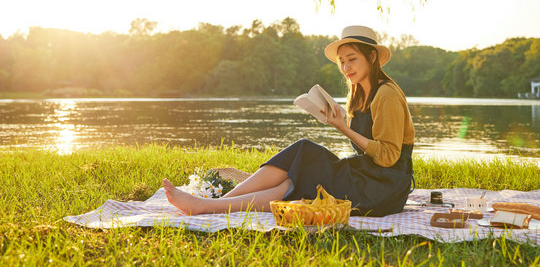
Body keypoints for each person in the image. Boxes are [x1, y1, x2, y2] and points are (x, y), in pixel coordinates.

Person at [162, 25, 415, 216]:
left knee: (305, 163)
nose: (346, 67)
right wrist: (339, 123)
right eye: (342, 62)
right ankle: (213, 204)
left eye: (352, 59)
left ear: (372, 58)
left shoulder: (387, 94)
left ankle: (208, 206)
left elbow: (388, 157)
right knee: (301, 159)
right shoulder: (360, 94)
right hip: (368, 176)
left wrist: (342, 128)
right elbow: (368, 150)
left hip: (383, 189)